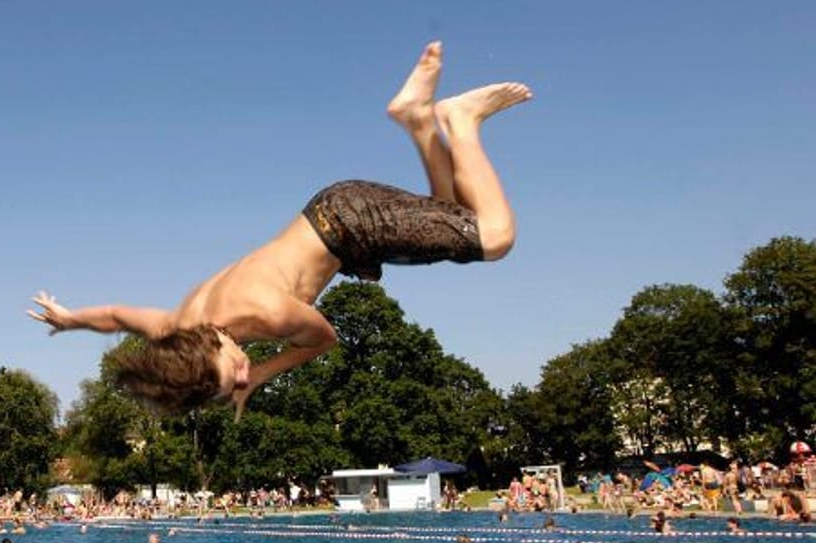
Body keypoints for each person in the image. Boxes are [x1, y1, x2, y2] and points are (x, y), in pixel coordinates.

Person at [29, 42, 532, 417]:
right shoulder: (177, 327)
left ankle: (460, 119)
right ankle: (419, 119)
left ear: (211, 350)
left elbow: (324, 339)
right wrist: (71, 319)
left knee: (493, 237)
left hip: (354, 224)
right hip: (335, 219)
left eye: (234, 373)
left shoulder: (265, 314)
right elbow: (116, 316)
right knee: (450, 213)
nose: (242, 372)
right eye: (235, 383)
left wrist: (261, 377)